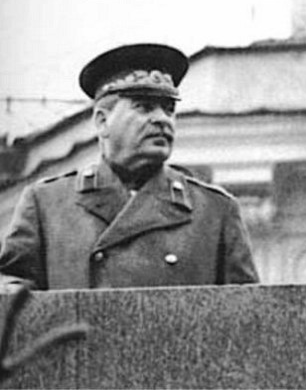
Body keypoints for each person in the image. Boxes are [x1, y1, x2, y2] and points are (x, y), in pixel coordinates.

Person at [0, 43, 259, 290]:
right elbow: (12, 296)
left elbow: (247, 309)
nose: (162, 119)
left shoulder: (214, 211)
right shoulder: (48, 204)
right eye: (144, 107)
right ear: (102, 122)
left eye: (169, 109)